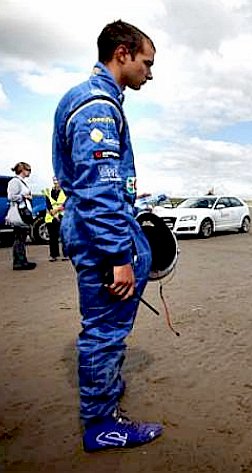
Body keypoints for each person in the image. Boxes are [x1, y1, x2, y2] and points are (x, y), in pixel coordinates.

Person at [52, 20, 162, 452]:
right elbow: (98, 188)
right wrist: (119, 255)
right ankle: (101, 424)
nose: (149, 74)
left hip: (95, 230)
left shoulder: (88, 98)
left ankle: (106, 399)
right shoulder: (97, 103)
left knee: (103, 328)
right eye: (146, 63)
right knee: (103, 331)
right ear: (122, 54)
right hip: (101, 239)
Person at [6, 162, 36, 270]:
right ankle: (19, 262)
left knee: (22, 237)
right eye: (28, 170)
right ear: (22, 170)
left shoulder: (20, 182)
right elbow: (11, 196)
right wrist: (24, 196)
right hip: (19, 213)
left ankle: (22, 260)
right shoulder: (15, 182)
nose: (29, 172)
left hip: (23, 211)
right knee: (19, 238)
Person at [43, 177, 67, 262]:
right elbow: (48, 204)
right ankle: (54, 255)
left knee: (64, 236)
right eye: (55, 181)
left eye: (58, 181)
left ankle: (66, 254)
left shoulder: (65, 191)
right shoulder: (48, 191)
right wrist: (52, 212)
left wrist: (58, 210)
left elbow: (67, 202)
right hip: (51, 216)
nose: (56, 183)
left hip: (63, 215)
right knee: (53, 237)